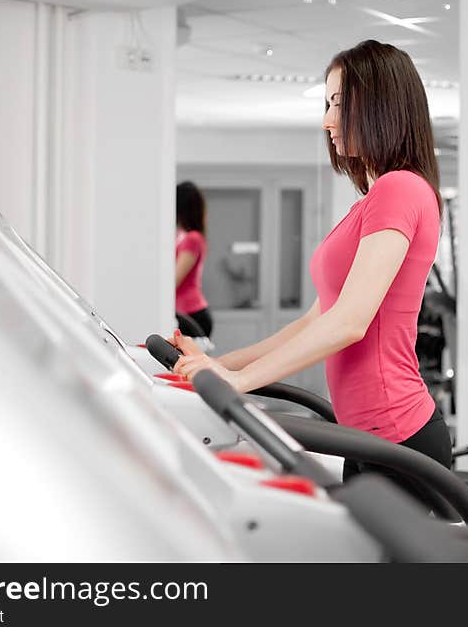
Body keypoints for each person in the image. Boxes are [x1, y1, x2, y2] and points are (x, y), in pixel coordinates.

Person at [171, 40, 451, 502]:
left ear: (379, 103)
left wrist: (240, 382)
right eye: (327, 104)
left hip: (396, 433)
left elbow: (349, 322)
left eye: (339, 103)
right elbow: (316, 319)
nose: (327, 120)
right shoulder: (378, 196)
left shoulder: (400, 189)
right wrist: (220, 366)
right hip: (368, 434)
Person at [175, 181, 212, 338]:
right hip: (185, 313)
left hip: (192, 315)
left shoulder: (192, 238)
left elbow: (175, 280)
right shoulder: (182, 237)